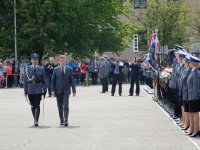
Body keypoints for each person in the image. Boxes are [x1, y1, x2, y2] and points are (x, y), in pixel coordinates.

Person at [51, 55, 76, 127]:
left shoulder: (69, 69)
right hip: (58, 91)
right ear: (59, 61)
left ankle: (66, 120)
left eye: (64, 60)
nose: (62, 62)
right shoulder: (55, 69)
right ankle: (61, 120)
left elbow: (72, 81)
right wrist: (52, 90)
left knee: (66, 106)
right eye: (61, 61)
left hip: (66, 91)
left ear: (65, 61)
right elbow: (53, 81)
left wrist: (74, 90)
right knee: (60, 107)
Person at [24, 53, 47, 127]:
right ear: (31, 60)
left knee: (37, 105)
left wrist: (45, 89)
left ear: (38, 60)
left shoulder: (41, 69)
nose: (35, 61)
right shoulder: (27, 69)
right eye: (33, 59)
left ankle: (36, 120)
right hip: (30, 89)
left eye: (36, 59)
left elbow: (44, 80)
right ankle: (35, 119)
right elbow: (25, 81)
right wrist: (25, 91)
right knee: (32, 105)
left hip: (38, 89)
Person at [186, 55, 200, 137]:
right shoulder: (193, 71)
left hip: (194, 97)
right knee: (191, 113)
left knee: (195, 113)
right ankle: (193, 129)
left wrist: (194, 98)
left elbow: (196, 86)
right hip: (191, 96)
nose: (188, 63)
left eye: (190, 62)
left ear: (193, 63)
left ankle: (196, 130)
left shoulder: (195, 73)